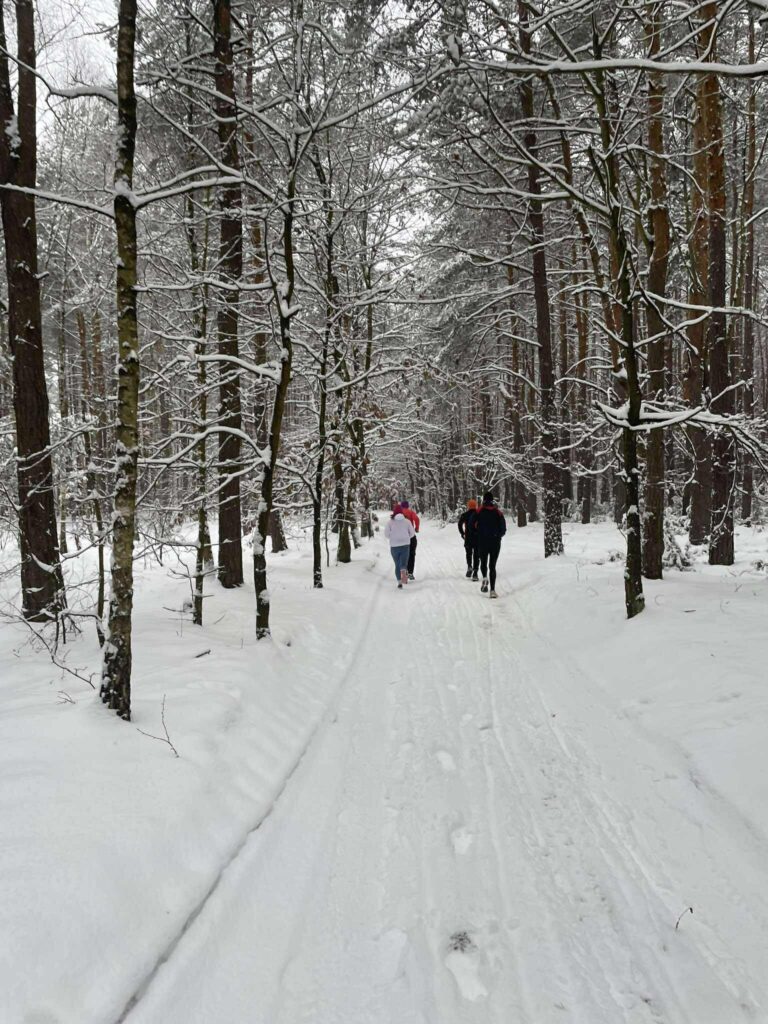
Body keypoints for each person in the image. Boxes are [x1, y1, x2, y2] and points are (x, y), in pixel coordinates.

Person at [473, 491, 507, 598]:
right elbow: (503, 529)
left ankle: (484, 577)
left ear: (484, 500)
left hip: (482, 541)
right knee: (492, 566)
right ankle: (492, 590)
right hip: (495, 543)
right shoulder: (498, 512)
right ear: (492, 500)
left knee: (483, 562)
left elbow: (471, 525)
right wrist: (498, 536)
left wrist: (477, 534)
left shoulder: (479, 511)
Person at [385, 504, 416, 588]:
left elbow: (386, 534)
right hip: (405, 545)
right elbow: (412, 533)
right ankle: (403, 572)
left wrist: (393, 537)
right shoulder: (407, 521)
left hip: (394, 546)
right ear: (402, 512)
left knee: (397, 564)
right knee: (403, 563)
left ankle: (399, 582)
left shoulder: (390, 522)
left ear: (394, 512)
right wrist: (407, 537)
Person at [458, 499, 479, 580]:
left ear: (468, 506)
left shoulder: (465, 515)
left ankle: (469, 566)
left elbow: (459, 524)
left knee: (468, 553)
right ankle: (475, 573)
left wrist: (462, 533)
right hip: (477, 538)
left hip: (468, 537)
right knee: (476, 555)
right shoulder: (479, 514)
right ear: (475, 506)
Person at [400, 500, 420, 580]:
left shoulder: (398, 514)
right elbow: (417, 519)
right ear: (408, 506)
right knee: (411, 554)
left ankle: (403, 573)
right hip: (411, 536)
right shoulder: (411, 512)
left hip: (401, 537)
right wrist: (417, 528)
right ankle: (410, 573)